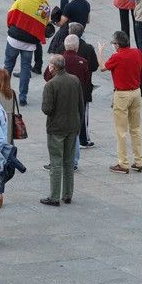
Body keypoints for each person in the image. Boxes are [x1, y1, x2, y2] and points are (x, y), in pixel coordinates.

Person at [101, 30, 142, 174]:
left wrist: (100, 52)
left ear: (117, 44)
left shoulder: (116, 56)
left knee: (121, 131)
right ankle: (138, 161)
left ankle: (123, 163)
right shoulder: (137, 52)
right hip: (136, 93)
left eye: (114, 43)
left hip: (121, 95)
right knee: (136, 129)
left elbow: (102, 68)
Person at [39, 54, 83, 206]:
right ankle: (67, 194)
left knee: (56, 162)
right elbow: (80, 105)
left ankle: (54, 196)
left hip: (57, 128)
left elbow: (46, 109)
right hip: (72, 126)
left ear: (53, 67)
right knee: (69, 161)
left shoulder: (51, 84)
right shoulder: (75, 80)